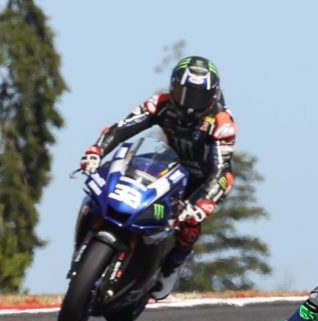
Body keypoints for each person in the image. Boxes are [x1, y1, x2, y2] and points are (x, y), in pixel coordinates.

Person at [79, 55, 237, 300]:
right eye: (183, 93)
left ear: (213, 95)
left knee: (189, 227)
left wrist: (202, 205)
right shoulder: (160, 103)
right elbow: (122, 127)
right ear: (172, 87)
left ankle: (173, 265)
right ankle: (88, 245)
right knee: (101, 190)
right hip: (165, 162)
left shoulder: (221, 123)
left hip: (198, 180)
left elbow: (222, 171)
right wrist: (96, 151)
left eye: (197, 96)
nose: (189, 104)